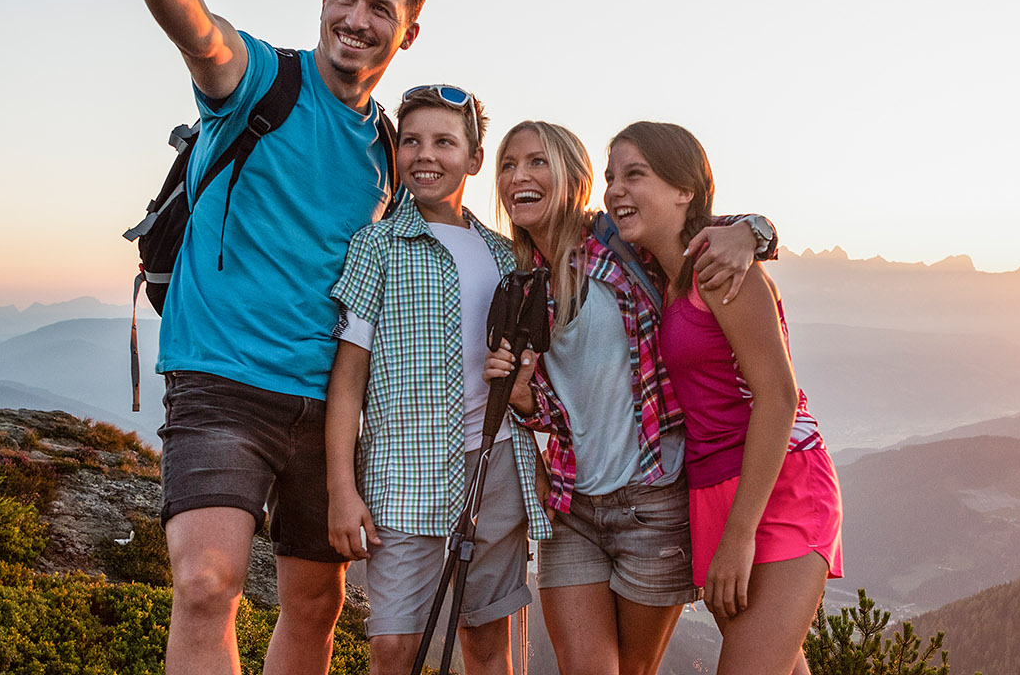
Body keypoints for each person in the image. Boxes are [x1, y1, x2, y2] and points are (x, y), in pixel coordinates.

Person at [115, 0, 427, 675]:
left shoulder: (388, 149)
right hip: (222, 379)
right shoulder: (261, 79)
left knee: (317, 606)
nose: (357, 19)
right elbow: (199, 31)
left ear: (407, 34)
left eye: (380, 9)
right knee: (205, 582)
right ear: (323, 3)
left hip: (330, 406)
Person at [484, 121, 774, 675]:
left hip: (653, 501)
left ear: (574, 176)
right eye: (507, 165)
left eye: (537, 162)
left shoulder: (623, 245)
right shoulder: (522, 280)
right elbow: (563, 407)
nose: (519, 176)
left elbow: (701, 229)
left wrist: (755, 230)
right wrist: (523, 400)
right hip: (572, 508)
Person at [324, 85, 551, 675]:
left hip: (496, 466)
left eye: (445, 142)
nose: (426, 155)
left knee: (483, 640)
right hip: (403, 474)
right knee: (394, 647)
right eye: (413, 142)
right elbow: (348, 382)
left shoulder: (508, 256)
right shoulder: (377, 248)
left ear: (474, 159)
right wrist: (341, 491)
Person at [604, 121, 843, 675]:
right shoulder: (654, 270)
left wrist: (738, 538)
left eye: (635, 174)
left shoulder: (720, 269)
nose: (616, 189)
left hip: (776, 486)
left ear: (685, 189)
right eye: (612, 176)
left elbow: (778, 397)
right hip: (710, 491)